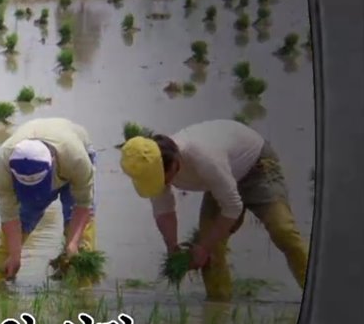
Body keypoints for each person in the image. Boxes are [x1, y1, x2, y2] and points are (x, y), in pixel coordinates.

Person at [119, 119, 308, 301]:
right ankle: (218, 310)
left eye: (163, 177)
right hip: (220, 181)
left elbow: (233, 206)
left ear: (175, 161)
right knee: (211, 251)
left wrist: (203, 247)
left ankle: (316, 294)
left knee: (283, 230)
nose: (164, 183)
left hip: (256, 168)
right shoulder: (150, 164)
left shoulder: (203, 157)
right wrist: (172, 247)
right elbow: (164, 209)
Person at [0, 117, 98, 283]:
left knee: (80, 249)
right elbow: (10, 217)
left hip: (74, 157)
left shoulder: (76, 158)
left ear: (52, 163)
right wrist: (15, 254)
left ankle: (82, 294)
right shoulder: (2, 169)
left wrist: (72, 244)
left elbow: (83, 205)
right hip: (48, 152)